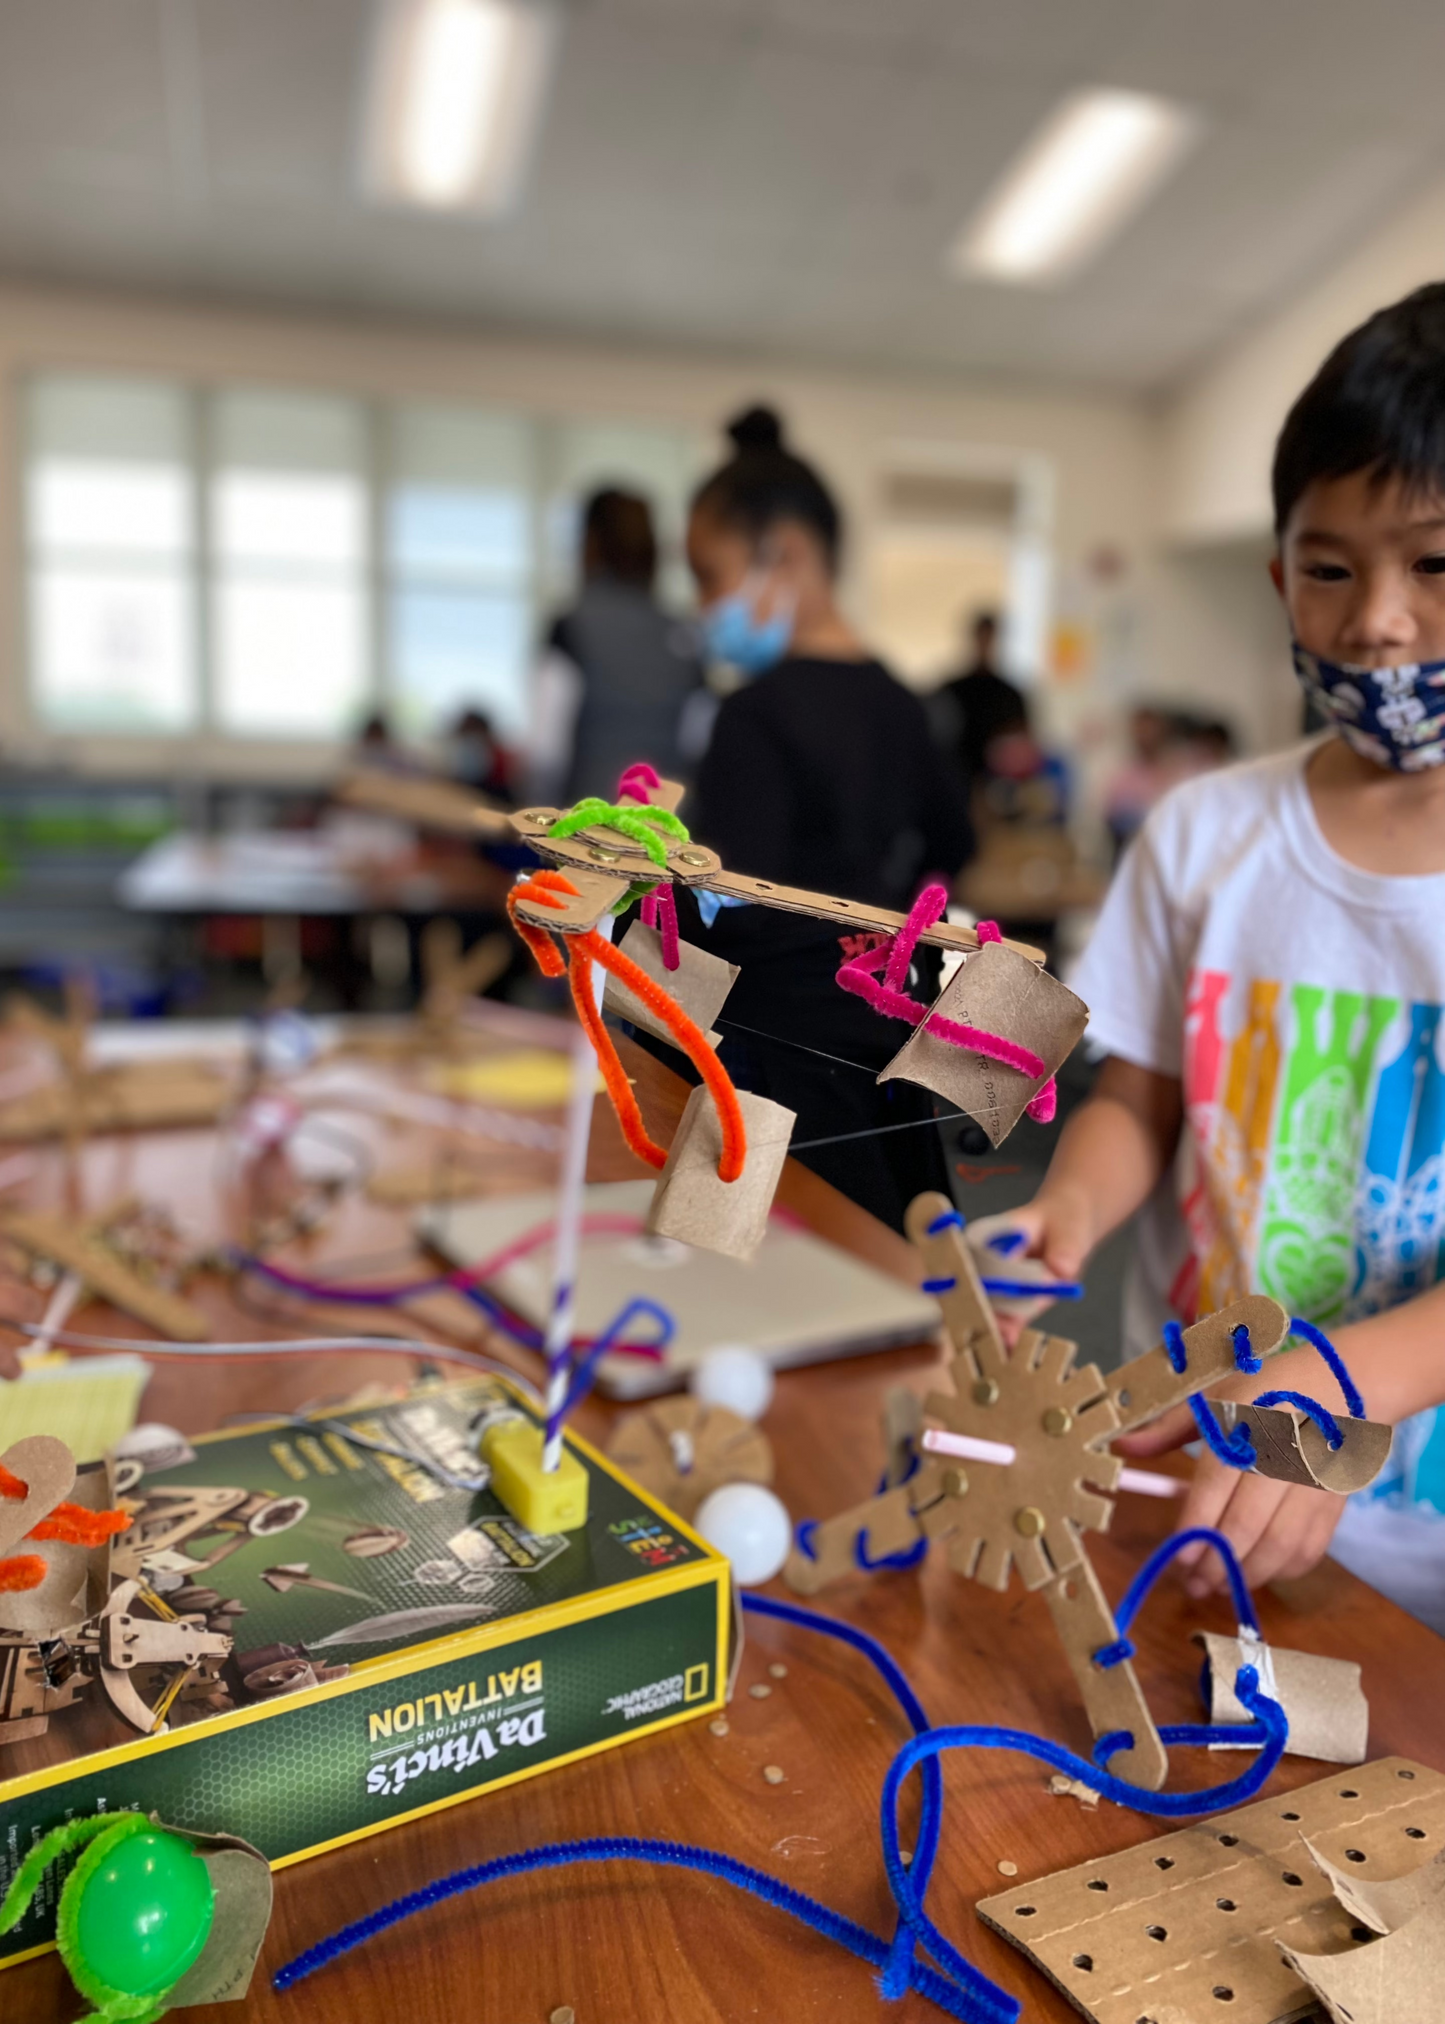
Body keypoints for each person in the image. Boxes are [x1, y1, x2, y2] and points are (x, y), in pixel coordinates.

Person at [991, 282, 1445, 1633]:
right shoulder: (1203, 834)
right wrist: (1069, 1210)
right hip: (1192, 1478)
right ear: (1277, 576)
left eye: (1436, 564)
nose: (1376, 620)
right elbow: (1140, 1088)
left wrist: (1340, 1379)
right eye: (1329, 566)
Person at [677, 405, 974, 1232]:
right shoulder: (904, 703)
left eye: (708, 574)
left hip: (766, 1065)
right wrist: (886, 938)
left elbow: (728, 908)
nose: (701, 604)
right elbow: (955, 844)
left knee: (750, 1276)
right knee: (906, 1268)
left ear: (789, 554)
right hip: (890, 1043)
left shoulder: (750, 715)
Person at [530, 487, 703, 805]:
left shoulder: (572, 625)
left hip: (584, 834)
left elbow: (546, 753)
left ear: (589, 542)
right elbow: (696, 742)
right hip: (667, 833)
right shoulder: (686, 632)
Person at [935, 611, 1030, 806]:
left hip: (999, 791)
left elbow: (1022, 746)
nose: (985, 644)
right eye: (982, 637)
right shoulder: (952, 691)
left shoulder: (1010, 696)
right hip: (956, 784)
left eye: (989, 638)